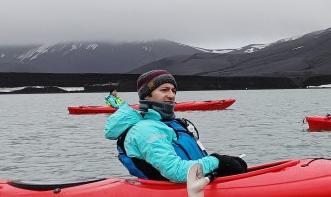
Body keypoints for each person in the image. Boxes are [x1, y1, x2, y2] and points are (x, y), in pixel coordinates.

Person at [104, 69, 247, 183]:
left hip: (198, 183)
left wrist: (222, 166)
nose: (171, 95)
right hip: (178, 190)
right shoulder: (144, 129)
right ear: (147, 96)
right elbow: (177, 172)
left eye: (173, 90)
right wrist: (218, 161)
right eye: (164, 90)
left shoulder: (173, 124)